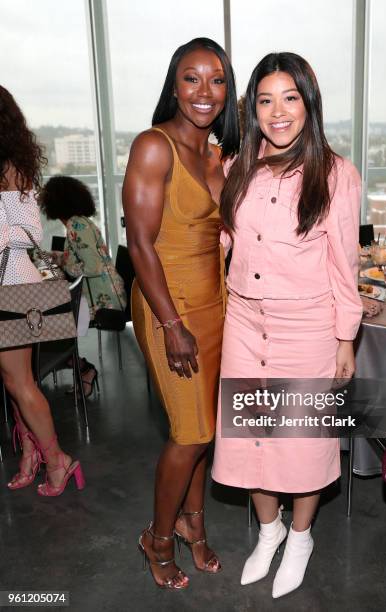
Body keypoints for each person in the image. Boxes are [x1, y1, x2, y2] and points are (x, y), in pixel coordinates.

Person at [212, 52, 363, 598]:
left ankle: (301, 537)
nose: (278, 112)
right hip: (245, 322)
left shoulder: (337, 174)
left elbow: (345, 264)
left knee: (300, 441)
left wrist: (346, 338)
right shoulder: (238, 168)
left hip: (307, 327)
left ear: (308, 103)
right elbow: (227, 242)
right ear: (253, 108)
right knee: (251, 436)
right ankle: (269, 531)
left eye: (290, 98)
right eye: (265, 99)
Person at [122, 38, 239, 590]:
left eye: (216, 80)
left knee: (203, 430)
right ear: (174, 84)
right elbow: (141, 245)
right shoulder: (154, 146)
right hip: (169, 305)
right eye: (192, 78)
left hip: (213, 306)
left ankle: (195, 526)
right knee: (190, 433)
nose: (204, 91)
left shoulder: (214, 152)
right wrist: (171, 325)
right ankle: (159, 537)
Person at [0, 85, 85, 496]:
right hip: (8, 286)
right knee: (11, 381)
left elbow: (31, 233)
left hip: (14, 287)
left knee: (21, 384)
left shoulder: (11, 169)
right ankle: (32, 456)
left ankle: (57, 461)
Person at [39, 176, 127, 396]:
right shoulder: (79, 222)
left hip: (103, 300)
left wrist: (65, 264)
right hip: (102, 292)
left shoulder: (76, 225)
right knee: (51, 318)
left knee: (49, 319)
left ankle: (76, 366)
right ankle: (73, 365)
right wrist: (60, 257)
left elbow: (93, 266)